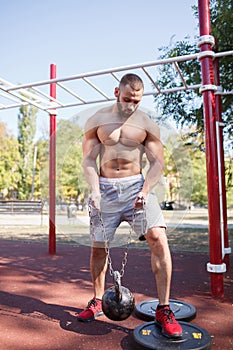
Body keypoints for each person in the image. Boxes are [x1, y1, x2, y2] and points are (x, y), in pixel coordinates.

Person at [78, 73, 182, 338]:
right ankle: (97, 300)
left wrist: (146, 190)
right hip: (105, 189)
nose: (131, 106)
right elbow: (88, 160)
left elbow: (157, 162)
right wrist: (94, 190)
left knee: (159, 237)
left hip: (137, 187)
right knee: (98, 248)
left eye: (136, 101)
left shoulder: (146, 123)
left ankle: (164, 308)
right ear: (116, 92)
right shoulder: (97, 120)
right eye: (127, 99)